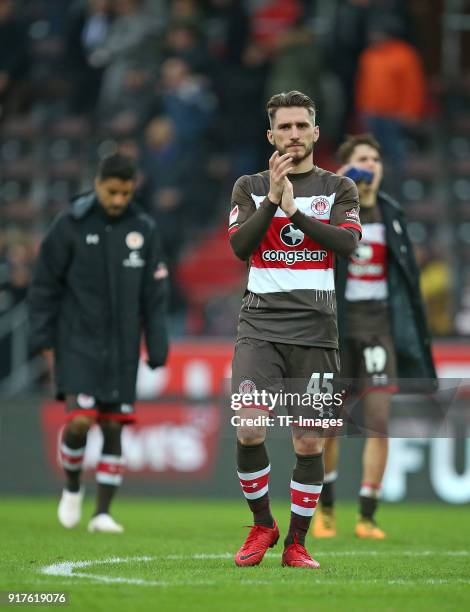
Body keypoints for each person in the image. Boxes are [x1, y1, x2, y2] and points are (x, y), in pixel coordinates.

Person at [228, 90, 362, 569]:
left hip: (316, 331)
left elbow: (346, 245)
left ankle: (296, 544)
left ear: (316, 132)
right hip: (259, 326)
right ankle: (263, 525)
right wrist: (271, 200)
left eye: (301, 126)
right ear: (271, 135)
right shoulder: (248, 185)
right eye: (284, 127)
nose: (293, 135)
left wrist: (296, 211)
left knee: (309, 443)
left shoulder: (340, 188)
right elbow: (241, 247)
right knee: (249, 428)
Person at [28, 153, 169, 533]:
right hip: (76, 340)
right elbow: (44, 284)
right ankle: (72, 487)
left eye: (125, 192)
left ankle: (103, 513)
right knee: (80, 422)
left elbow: (155, 296)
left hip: (122, 344)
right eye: (112, 192)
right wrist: (41, 335)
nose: (119, 200)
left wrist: (157, 345)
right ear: (97, 183)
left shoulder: (144, 228)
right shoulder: (71, 224)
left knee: (113, 426)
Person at [312, 134, 436, 540]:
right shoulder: (330, 210)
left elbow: (409, 283)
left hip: (378, 328)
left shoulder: (393, 213)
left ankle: (367, 514)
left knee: (378, 422)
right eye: (362, 160)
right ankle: (326, 507)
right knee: (329, 423)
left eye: (376, 159)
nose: (371, 166)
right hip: (337, 328)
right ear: (347, 167)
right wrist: (337, 188)